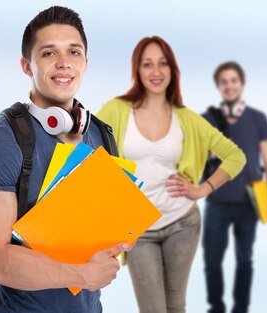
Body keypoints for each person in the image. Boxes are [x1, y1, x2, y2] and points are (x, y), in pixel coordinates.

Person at [0, 6, 130, 313]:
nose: (64, 63)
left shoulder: (102, 137)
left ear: (86, 63)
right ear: (27, 65)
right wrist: (84, 274)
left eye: (74, 52)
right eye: (49, 53)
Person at [96, 36, 246, 313]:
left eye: (162, 64)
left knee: (175, 306)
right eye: (147, 64)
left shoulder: (186, 119)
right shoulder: (116, 111)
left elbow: (236, 156)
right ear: (137, 71)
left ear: (172, 69)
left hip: (182, 223)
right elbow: (88, 151)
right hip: (139, 230)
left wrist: (203, 189)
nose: (156, 72)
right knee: (153, 309)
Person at [201, 61, 267, 313]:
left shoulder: (257, 119)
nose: (229, 86)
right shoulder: (208, 119)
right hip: (217, 199)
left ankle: (241, 308)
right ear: (219, 86)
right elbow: (195, 159)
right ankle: (216, 307)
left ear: (241, 84)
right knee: (212, 259)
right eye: (224, 82)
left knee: (245, 259)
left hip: (249, 200)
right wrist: (211, 155)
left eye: (233, 80)